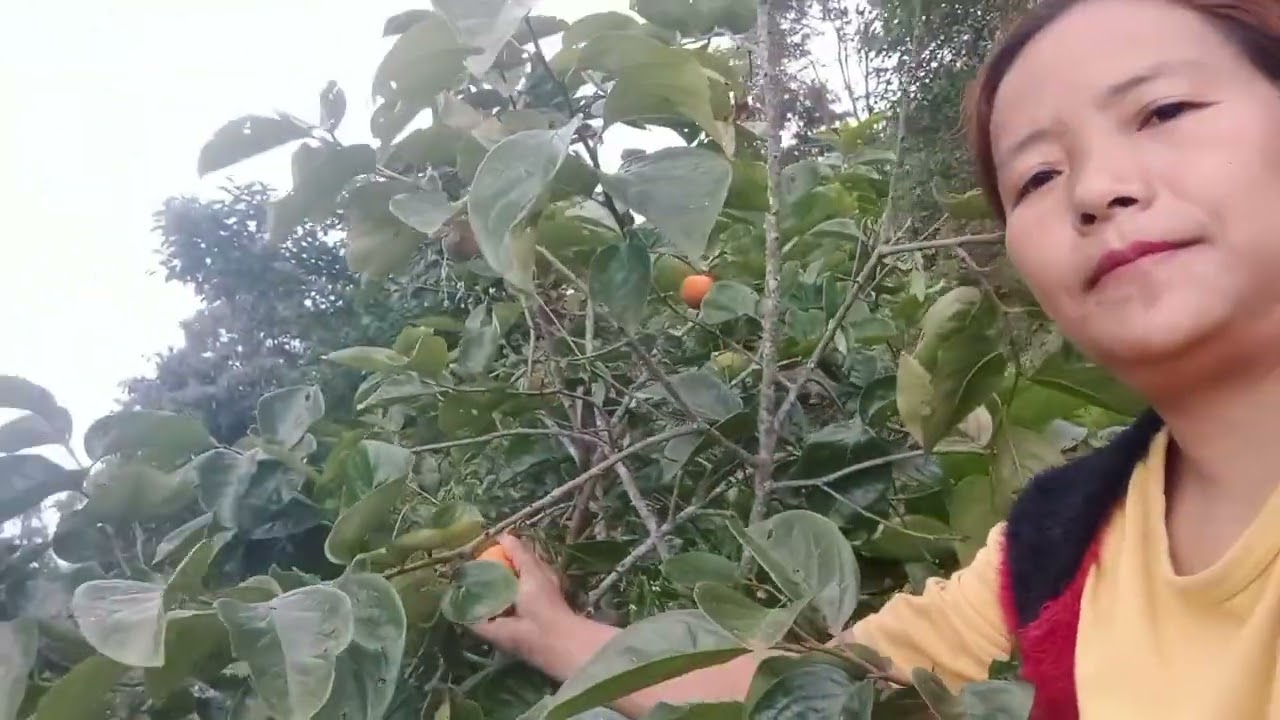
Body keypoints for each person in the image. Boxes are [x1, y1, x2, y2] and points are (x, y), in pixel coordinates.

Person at [474, 0, 1280, 717]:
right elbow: (830, 689)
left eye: (1164, 109)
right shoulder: (1060, 548)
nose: (1097, 188)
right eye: (1037, 176)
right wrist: (557, 634)